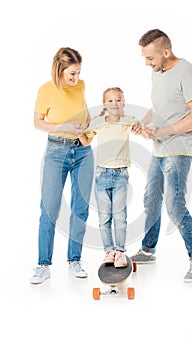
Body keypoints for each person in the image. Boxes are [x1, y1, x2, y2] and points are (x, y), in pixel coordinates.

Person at [130, 29, 192, 282]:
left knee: (175, 206)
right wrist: (144, 122)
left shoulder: (187, 72)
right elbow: (161, 105)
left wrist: (165, 130)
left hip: (178, 149)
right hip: (160, 148)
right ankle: (148, 250)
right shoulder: (158, 73)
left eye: (150, 58)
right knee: (151, 199)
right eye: (144, 58)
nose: (147, 64)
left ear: (166, 52)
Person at [30, 47, 94, 284]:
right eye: (72, 73)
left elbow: (84, 114)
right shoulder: (46, 90)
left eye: (78, 72)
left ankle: (74, 260)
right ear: (60, 69)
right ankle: (43, 264)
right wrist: (62, 127)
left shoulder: (81, 85)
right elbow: (38, 122)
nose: (75, 77)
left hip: (83, 151)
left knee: (81, 208)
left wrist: (87, 128)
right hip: (56, 151)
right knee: (49, 209)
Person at [86, 87, 143, 267]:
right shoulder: (98, 122)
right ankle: (108, 251)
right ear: (104, 104)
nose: (114, 103)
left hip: (121, 175)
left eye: (118, 99)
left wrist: (139, 128)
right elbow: (86, 140)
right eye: (110, 100)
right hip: (101, 174)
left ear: (123, 102)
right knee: (104, 217)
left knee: (120, 216)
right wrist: (79, 130)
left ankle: (120, 251)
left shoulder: (129, 120)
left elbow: (139, 128)